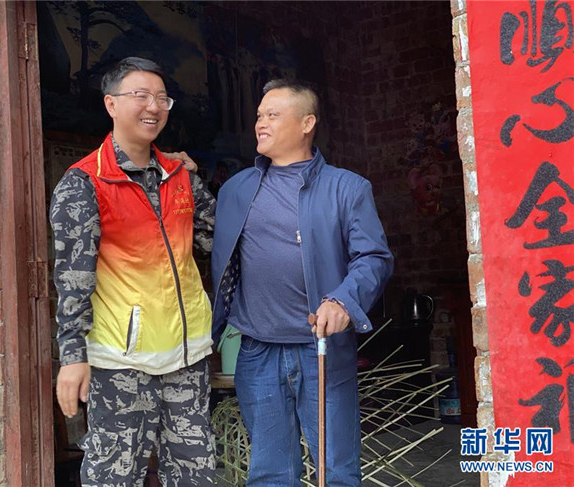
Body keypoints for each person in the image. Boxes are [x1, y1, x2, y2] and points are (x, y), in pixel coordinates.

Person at [211, 79, 394, 486]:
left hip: (321, 348)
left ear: (307, 123)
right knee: (270, 473)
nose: (260, 123)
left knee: (336, 471)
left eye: (273, 115)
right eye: (259, 115)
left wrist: (343, 301)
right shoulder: (235, 190)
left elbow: (374, 258)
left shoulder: (346, 188)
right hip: (257, 350)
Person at [50, 57, 216, 487]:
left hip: (187, 353)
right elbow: (73, 278)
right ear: (111, 104)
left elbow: (214, 239)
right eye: (140, 95)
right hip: (120, 360)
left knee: (195, 472)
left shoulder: (179, 175)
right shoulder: (84, 182)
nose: (153, 106)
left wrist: (196, 176)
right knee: (114, 474)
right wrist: (73, 357)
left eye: (162, 98)